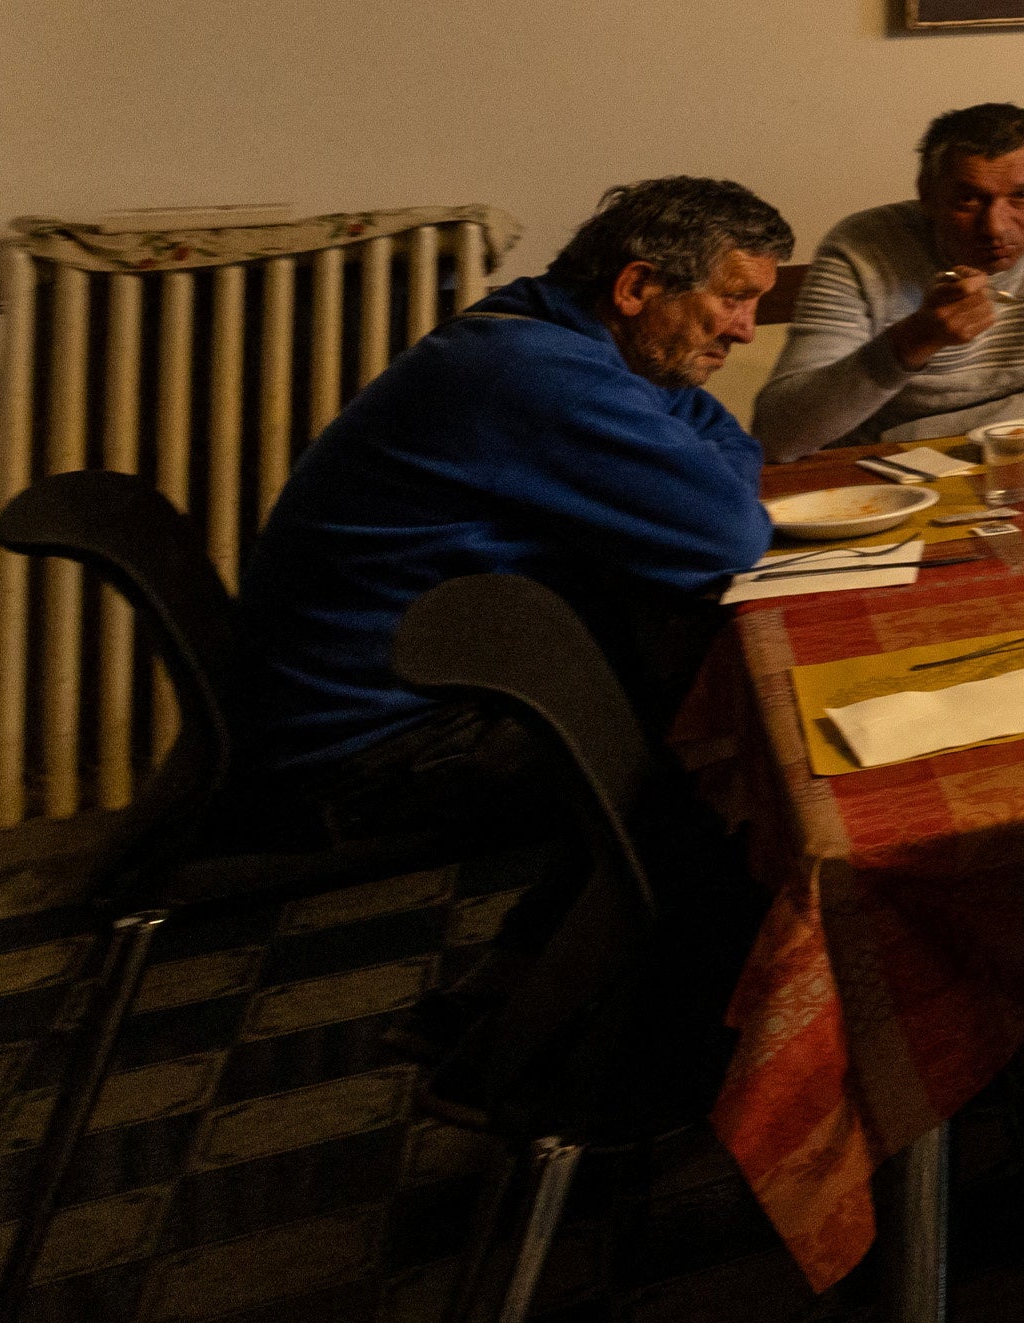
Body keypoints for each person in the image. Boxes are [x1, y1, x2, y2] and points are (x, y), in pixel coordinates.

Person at [229, 177, 794, 837]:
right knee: (731, 765)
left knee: (683, 683)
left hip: (367, 705)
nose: (748, 330)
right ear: (636, 287)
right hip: (370, 749)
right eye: (734, 299)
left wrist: (711, 468)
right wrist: (717, 477)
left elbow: (712, 425)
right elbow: (730, 537)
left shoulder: (540, 328)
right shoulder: (542, 373)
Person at [754, 102, 1024, 462]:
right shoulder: (862, 246)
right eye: (968, 199)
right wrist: (911, 342)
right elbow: (777, 436)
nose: (996, 227)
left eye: (1021, 196)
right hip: (874, 469)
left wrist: (908, 439)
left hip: (991, 454)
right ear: (926, 194)